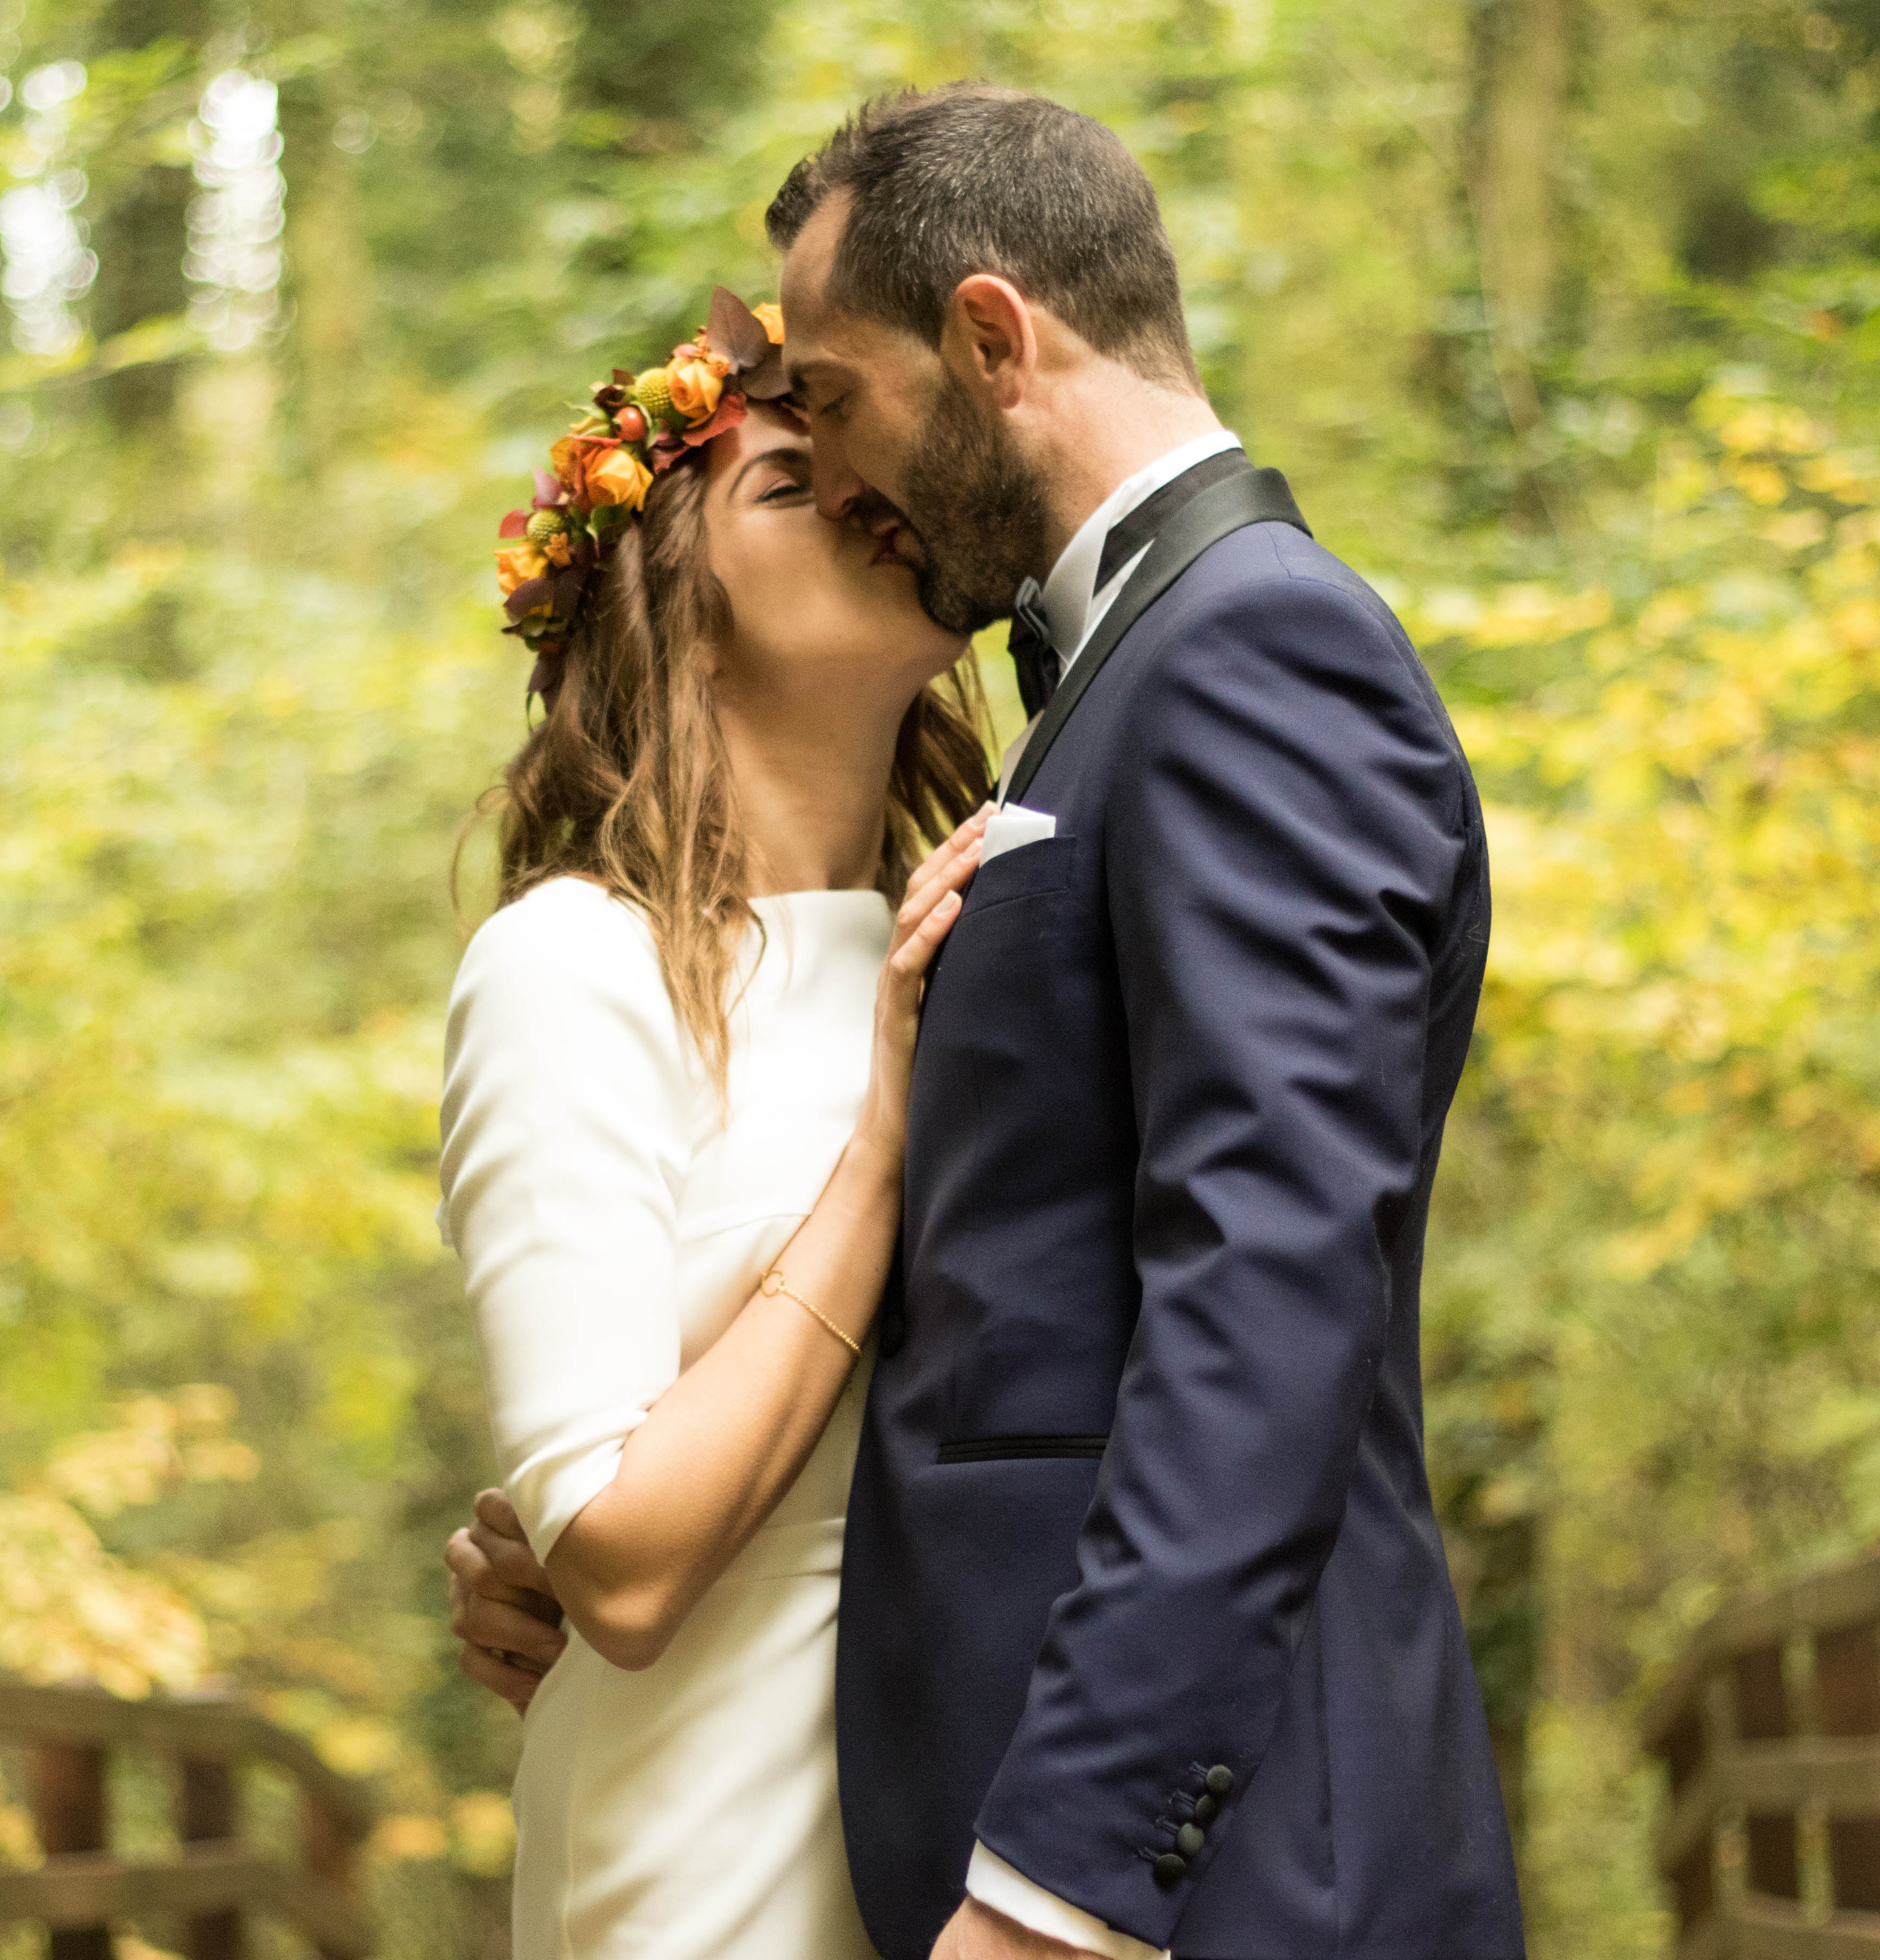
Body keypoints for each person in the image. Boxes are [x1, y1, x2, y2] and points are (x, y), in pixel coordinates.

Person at [449, 84, 1529, 1960]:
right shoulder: (1069, 737)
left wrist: (1057, 1894)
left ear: (988, 343)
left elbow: (1266, 1295)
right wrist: (559, 1515)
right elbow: (1010, 1311)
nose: (840, 466)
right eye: (788, 459)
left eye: (833, 401)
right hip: (861, 1826)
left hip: (1175, 1867)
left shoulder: (1242, 652)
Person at [440, 287, 995, 1959]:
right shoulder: (572, 966)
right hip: (699, 1874)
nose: (860, 497)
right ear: (677, 619)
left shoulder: (979, 937)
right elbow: (615, 1565)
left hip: (977, 1866)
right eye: (787, 483)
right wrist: (882, 1154)